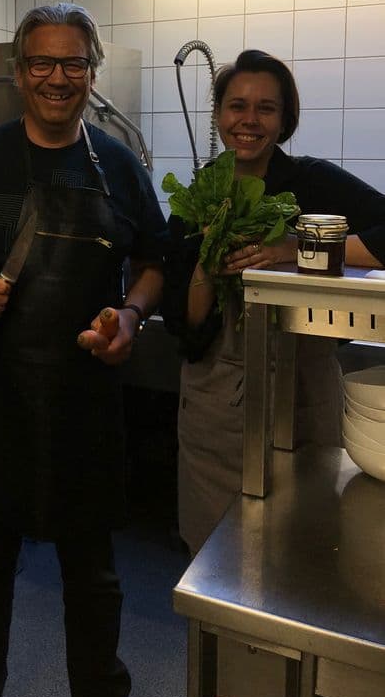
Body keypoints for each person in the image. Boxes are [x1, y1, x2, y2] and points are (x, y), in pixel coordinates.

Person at [0, 2, 167, 697]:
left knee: (95, 578)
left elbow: (153, 261)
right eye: (42, 63)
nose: (58, 77)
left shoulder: (118, 165)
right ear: (18, 72)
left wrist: (131, 312)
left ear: (93, 71)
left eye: (74, 63)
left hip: (86, 400)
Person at [162, 48, 385, 557]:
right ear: (219, 115)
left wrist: (295, 248)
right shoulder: (199, 195)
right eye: (237, 105)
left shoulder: (312, 182)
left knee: (306, 557)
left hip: (303, 398)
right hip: (215, 408)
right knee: (215, 560)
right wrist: (206, 263)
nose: (249, 119)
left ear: (285, 120)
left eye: (266, 108)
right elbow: (184, 324)